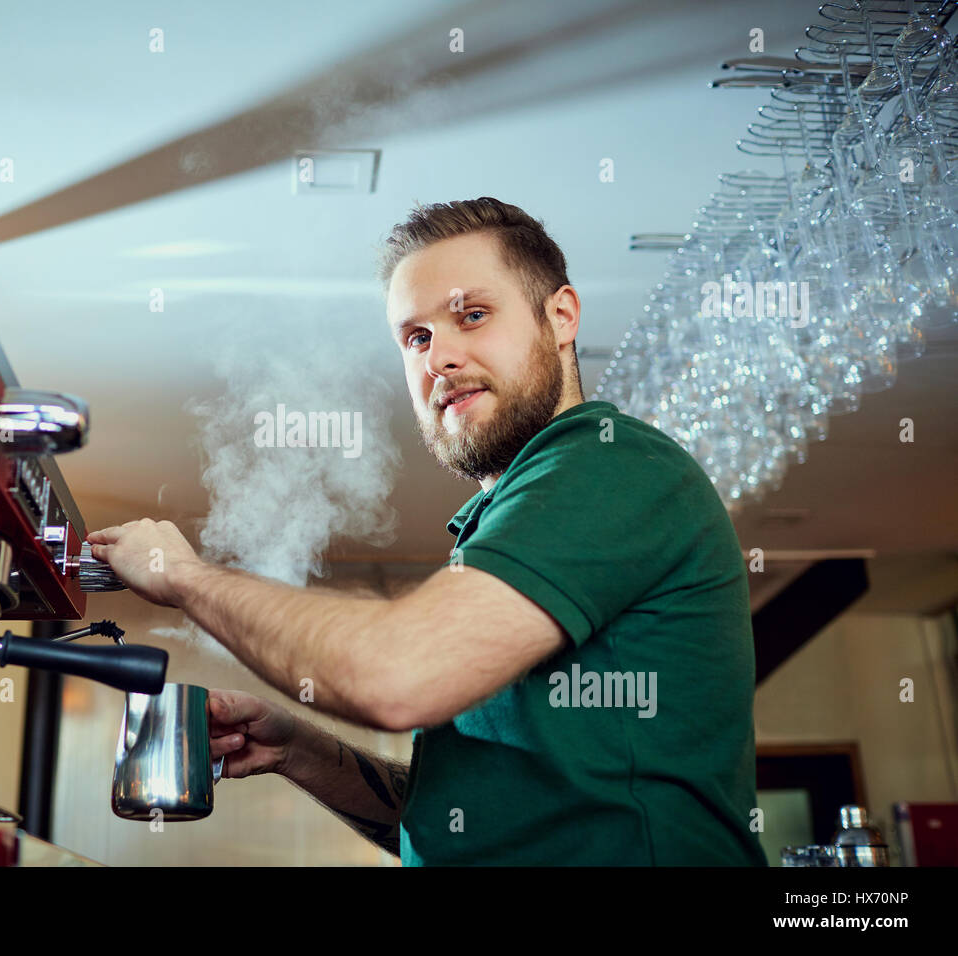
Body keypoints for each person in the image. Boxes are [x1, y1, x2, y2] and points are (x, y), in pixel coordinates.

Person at [87, 197, 767, 865]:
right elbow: (456, 824)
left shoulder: (606, 463)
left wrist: (185, 576)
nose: (439, 357)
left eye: (471, 316)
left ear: (561, 316)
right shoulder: (503, 526)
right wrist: (300, 749)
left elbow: (396, 678)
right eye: (416, 337)